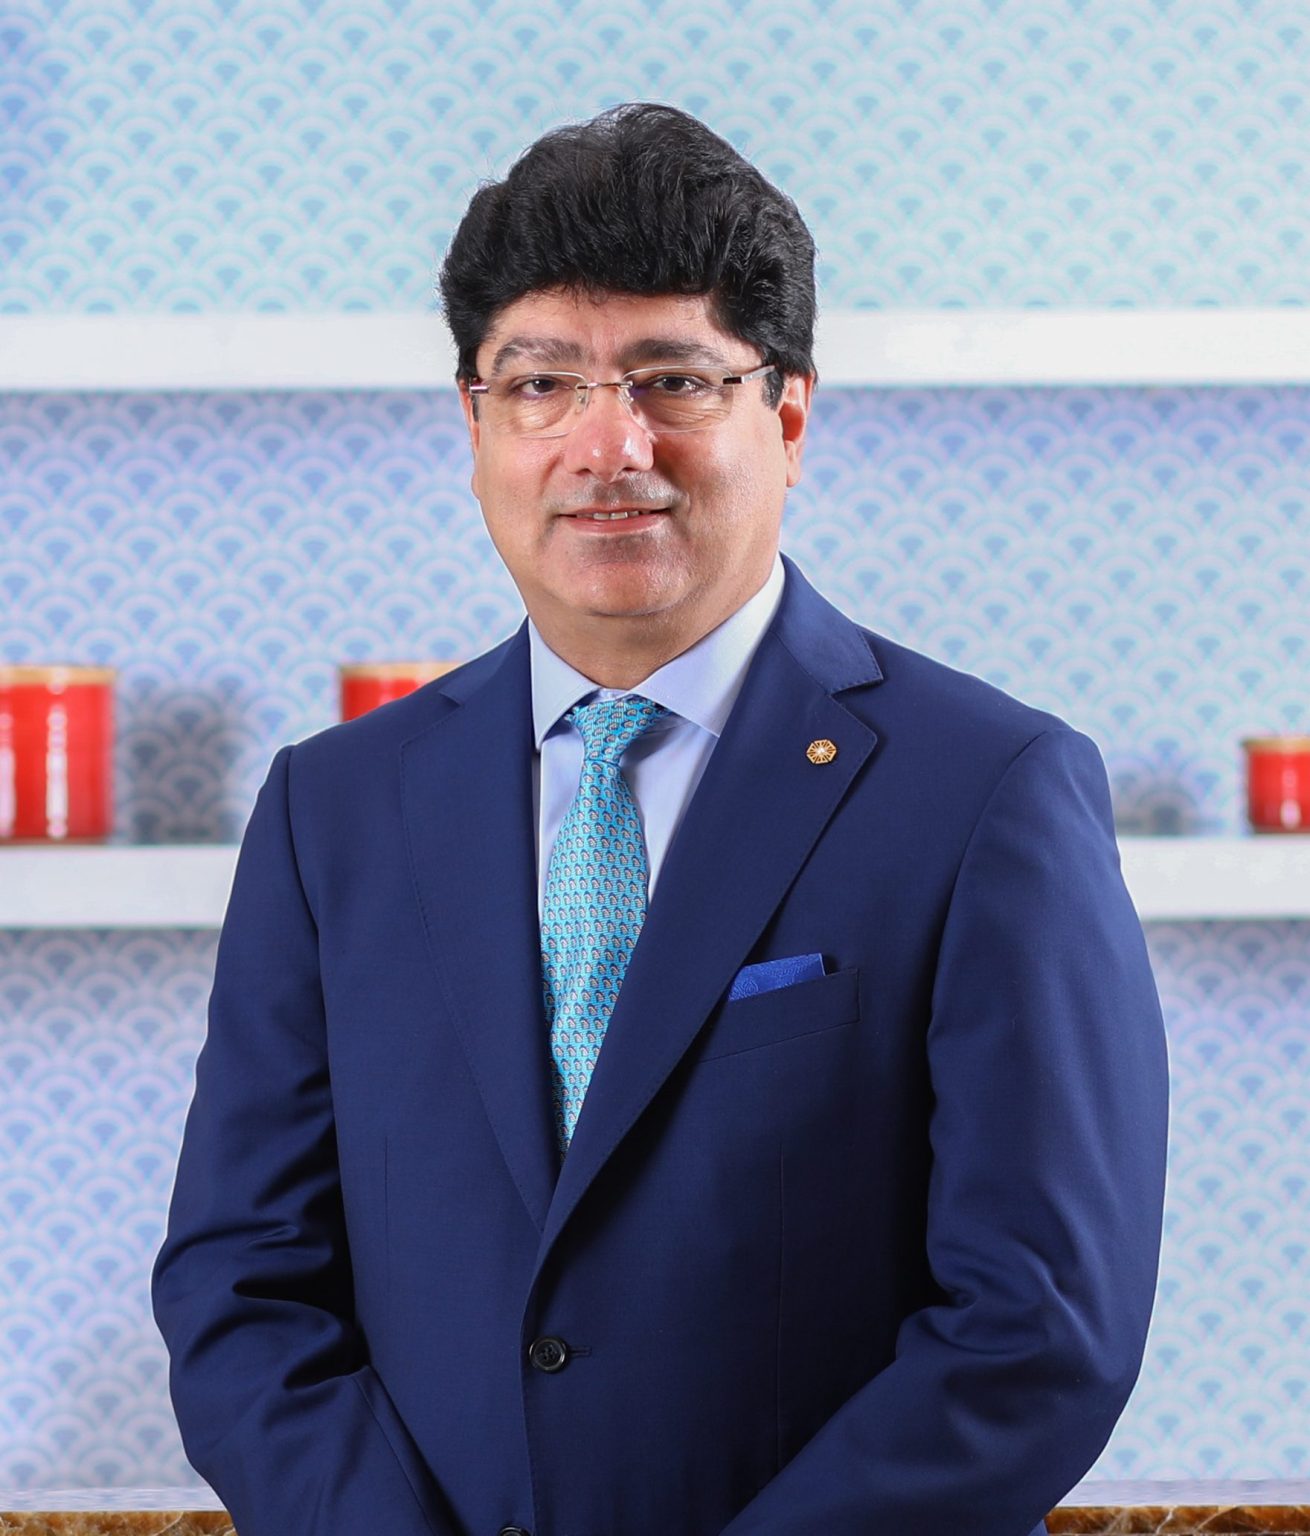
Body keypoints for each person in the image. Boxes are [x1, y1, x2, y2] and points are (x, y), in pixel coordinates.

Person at [152, 102, 1169, 1536]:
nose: (606, 444)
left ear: (788, 415)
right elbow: (241, 1285)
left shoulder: (988, 792)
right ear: (475, 423)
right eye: (540, 384)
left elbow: (1037, 1331)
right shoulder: (336, 809)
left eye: (673, 380)